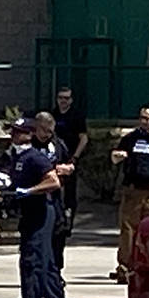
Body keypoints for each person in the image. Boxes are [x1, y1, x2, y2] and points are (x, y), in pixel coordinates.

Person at [0, 118, 69, 298]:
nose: (13, 136)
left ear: (28, 135)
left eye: (18, 132)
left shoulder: (34, 158)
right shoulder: (17, 157)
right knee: (46, 261)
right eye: (12, 132)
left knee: (32, 260)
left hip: (40, 212)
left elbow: (53, 181)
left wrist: (28, 191)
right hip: (31, 213)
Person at [110, 104, 149, 283]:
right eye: (141, 118)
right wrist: (118, 156)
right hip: (133, 189)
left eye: (147, 118)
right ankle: (125, 268)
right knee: (129, 229)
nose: (143, 121)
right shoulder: (131, 138)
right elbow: (115, 157)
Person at [33, 111, 75, 272]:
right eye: (44, 130)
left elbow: (69, 163)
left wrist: (67, 169)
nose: (48, 134)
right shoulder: (30, 145)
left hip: (56, 197)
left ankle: (56, 271)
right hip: (36, 197)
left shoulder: (57, 144)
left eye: (51, 131)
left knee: (58, 234)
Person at [53, 87, 88, 235]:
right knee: (53, 189)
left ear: (71, 100)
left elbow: (84, 138)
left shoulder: (76, 116)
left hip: (70, 159)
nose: (63, 101)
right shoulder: (52, 115)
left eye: (66, 98)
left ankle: (68, 222)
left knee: (70, 193)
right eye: (61, 97)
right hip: (54, 159)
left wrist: (75, 157)